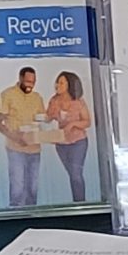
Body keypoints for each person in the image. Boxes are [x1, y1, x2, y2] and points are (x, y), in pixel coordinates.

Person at [0, 66, 49, 209]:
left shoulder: (37, 98)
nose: (31, 84)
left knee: (33, 188)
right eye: (28, 81)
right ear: (20, 78)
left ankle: (31, 218)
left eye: (33, 82)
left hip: (35, 149)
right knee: (18, 187)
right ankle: (15, 216)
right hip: (15, 148)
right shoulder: (7, 95)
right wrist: (15, 136)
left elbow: (43, 121)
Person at [47, 71, 96, 203]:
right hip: (61, 144)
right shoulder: (54, 100)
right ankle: (77, 202)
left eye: (61, 82)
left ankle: (81, 203)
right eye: (57, 82)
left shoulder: (79, 102)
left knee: (76, 174)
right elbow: (47, 118)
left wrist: (73, 124)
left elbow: (87, 122)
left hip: (78, 142)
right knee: (72, 174)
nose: (57, 85)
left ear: (69, 85)